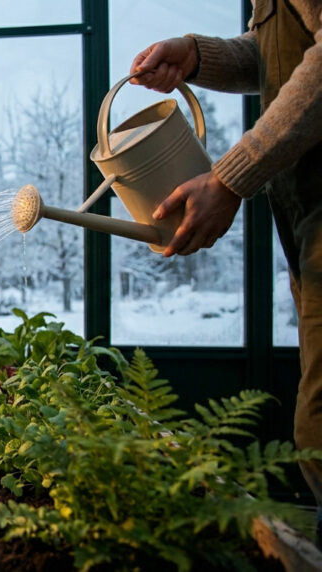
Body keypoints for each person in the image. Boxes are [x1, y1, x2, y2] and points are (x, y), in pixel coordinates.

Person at [129, 0, 322, 540]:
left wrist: (230, 177)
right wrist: (197, 55)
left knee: (318, 427)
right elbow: (284, 49)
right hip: (307, 214)